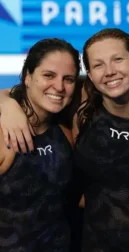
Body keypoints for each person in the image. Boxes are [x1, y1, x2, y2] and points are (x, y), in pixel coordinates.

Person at [0, 29, 129, 251]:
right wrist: (5, 103)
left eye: (118, 59)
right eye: (98, 65)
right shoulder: (77, 103)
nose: (59, 86)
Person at [0, 38, 81, 251]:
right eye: (48, 75)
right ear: (28, 77)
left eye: (69, 79)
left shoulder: (66, 131)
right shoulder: (3, 134)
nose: (59, 87)